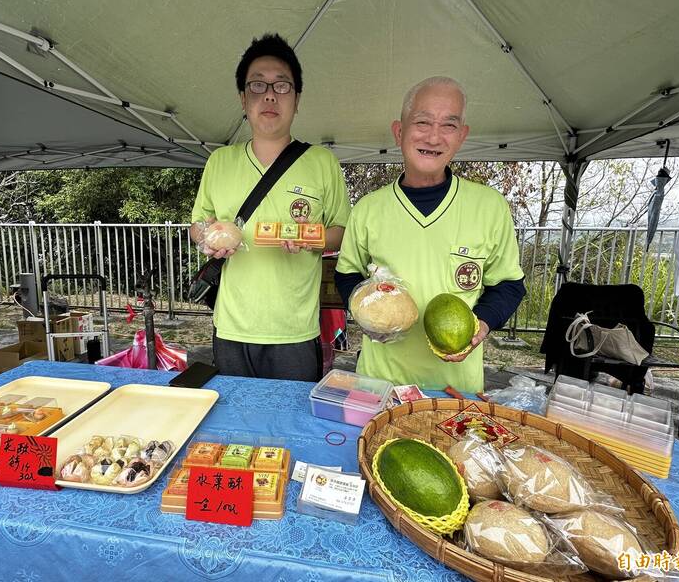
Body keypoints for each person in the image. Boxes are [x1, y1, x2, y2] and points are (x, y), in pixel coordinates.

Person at [335, 77, 525, 392]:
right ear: (399, 132)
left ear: (462, 135)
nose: (434, 137)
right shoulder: (368, 209)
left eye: (449, 125)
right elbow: (347, 275)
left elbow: (508, 284)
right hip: (380, 384)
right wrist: (366, 311)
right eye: (422, 122)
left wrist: (481, 323)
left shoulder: (490, 207)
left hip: (456, 388)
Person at [190, 33, 351, 382]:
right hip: (231, 327)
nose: (269, 95)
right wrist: (208, 238)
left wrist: (311, 238)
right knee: (236, 414)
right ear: (243, 98)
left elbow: (340, 232)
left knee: (290, 417)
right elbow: (198, 224)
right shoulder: (220, 161)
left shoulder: (321, 162)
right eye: (257, 85)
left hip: (295, 330)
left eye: (281, 85)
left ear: (297, 99)